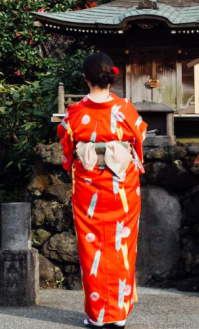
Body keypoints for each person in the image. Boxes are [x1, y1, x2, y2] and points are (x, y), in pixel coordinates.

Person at [57, 52, 148, 327]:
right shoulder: (126, 109)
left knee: (92, 246)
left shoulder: (74, 112)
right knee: (122, 244)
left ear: (85, 78)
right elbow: (140, 139)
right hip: (122, 186)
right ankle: (118, 314)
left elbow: (67, 150)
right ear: (111, 77)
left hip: (88, 187)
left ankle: (97, 315)